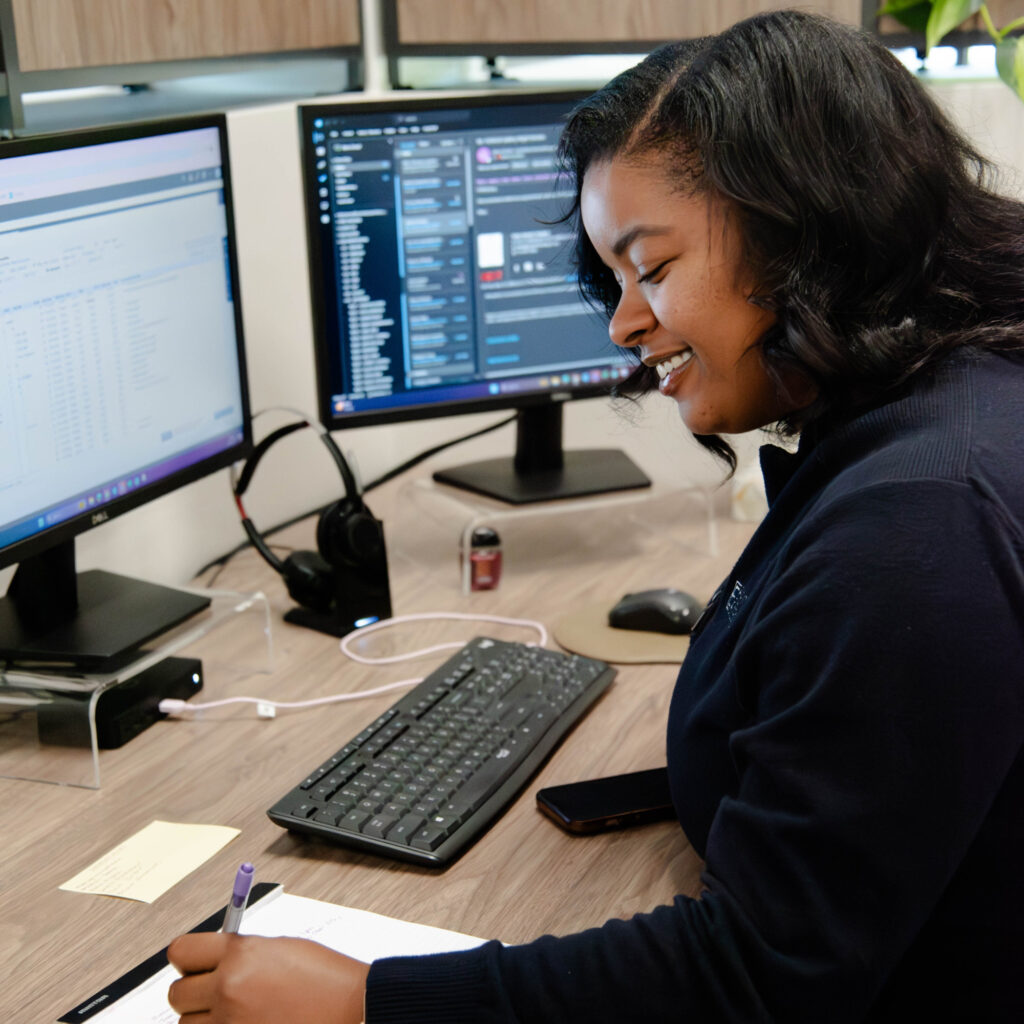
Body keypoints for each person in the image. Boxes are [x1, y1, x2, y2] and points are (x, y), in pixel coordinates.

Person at [167, 10, 1024, 1022]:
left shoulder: (919, 524)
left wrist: (369, 998)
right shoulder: (949, 408)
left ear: (807, 231)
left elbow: (752, 979)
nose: (623, 323)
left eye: (651, 268)